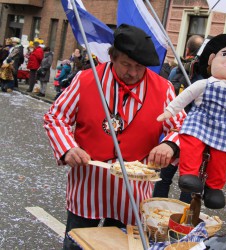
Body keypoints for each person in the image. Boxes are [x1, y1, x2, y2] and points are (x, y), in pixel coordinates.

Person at [44, 24, 185, 249]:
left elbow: (181, 128)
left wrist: (169, 145)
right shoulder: (85, 79)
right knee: (76, 244)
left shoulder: (164, 88)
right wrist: (68, 148)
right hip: (87, 185)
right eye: (126, 64)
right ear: (112, 57)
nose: (132, 72)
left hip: (132, 194)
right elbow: (56, 118)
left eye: (139, 67)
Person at [157, 34, 226, 209]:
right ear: (212, 59)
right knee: (191, 149)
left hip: (224, 131)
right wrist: (170, 111)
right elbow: (185, 96)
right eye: (225, 55)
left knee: (221, 157)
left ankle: (213, 188)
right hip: (198, 124)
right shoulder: (204, 83)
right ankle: (188, 176)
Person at [152, 35, 204, 204]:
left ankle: (156, 208)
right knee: (188, 181)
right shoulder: (207, 77)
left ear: (187, 50)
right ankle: (183, 218)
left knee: (164, 178)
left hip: (174, 130)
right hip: (195, 136)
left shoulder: (176, 71)